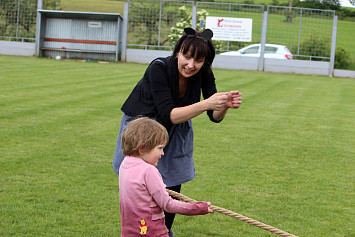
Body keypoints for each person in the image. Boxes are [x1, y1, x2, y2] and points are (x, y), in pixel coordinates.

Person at [113, 27, 242, 236]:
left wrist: (223, 105)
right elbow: (166, 114)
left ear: (205, 62)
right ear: (177, 52)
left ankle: (165, 232)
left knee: (171, 188)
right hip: (143, 131)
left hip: (175, 130)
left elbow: (214, 117)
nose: (191, 65)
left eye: (198, 60)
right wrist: (207, 103)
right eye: (187, 56)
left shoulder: (205, 72)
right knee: (143, 194)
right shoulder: (159, 68)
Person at [119, 117, 213, 236]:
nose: (162, 153)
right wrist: (198, 208)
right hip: (153, 232)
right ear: (142, 148)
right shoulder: (149, 171)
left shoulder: (125, 164)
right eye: (160, 148)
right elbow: (168, 204)